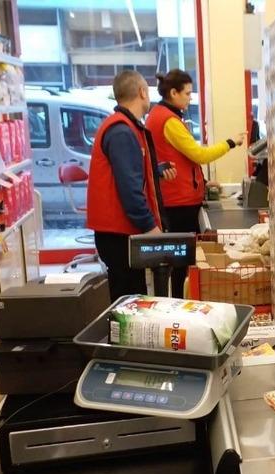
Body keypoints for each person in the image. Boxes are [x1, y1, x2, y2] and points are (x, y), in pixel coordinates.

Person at [145, 69, 246, 298]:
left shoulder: (161, 115)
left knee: (181, 261)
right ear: (173, 92)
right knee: (182, 262)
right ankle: (181, 305)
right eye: (188, 93)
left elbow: (182, 159)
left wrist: (202, 181)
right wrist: (231, 142)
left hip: (176, 198)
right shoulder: (168, 120)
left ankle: (181, 303)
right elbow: (199, 154)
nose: (190, 98)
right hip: (178, 202)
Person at [87, 70, 175, 301]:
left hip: (120, 233)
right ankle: (125, 339)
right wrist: (151, 228)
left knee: (131, 295)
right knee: (130, 300)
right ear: (142, 92)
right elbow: (129, 189)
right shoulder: (122, 131)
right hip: (119, 235)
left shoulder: (125, 127)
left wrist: (154, 172)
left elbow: (126, 173)